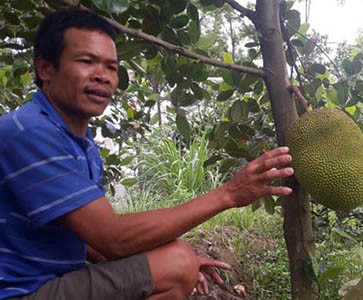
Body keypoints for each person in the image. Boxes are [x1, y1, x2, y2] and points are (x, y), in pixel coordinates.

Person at [0, 10, 294, 300]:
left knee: (177, 260)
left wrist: (163, 261)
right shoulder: (29, 132)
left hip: (52, 283)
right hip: (21, 292)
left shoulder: (79, 141)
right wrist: (229, 194)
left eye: (112, 67)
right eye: (86, 61)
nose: (103, 77)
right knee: (177, 263)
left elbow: (85, 235)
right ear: (45, 68)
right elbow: (113, 238)